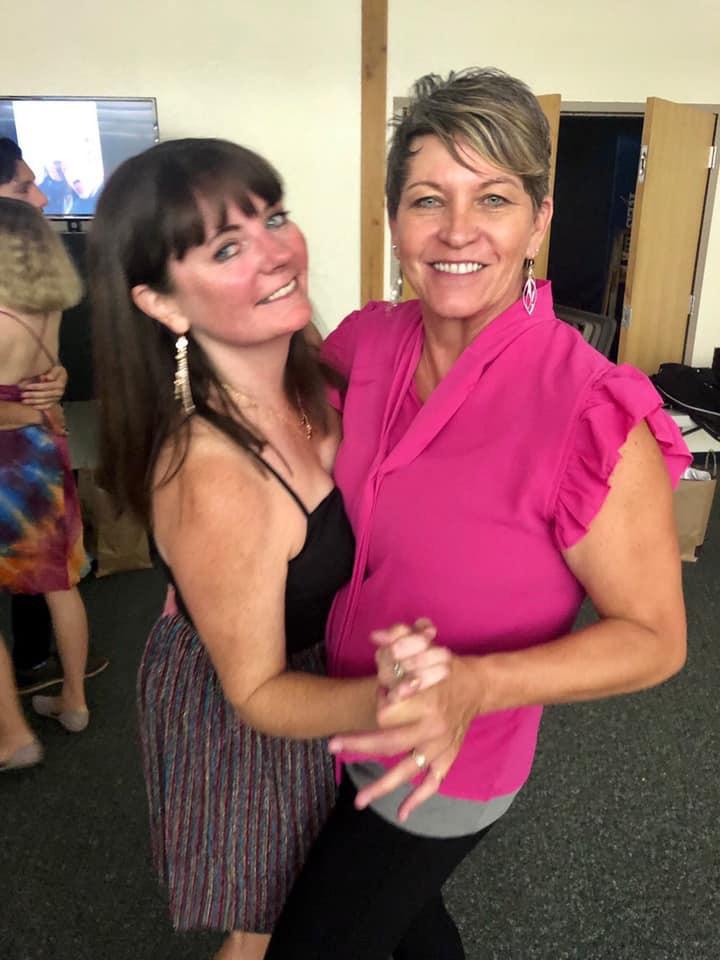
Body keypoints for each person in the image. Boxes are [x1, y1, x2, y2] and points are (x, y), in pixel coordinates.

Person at [263, 68, 690, 960]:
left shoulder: (590, 412)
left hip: (452, 758)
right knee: (409, 926)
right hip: (339, 709)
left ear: (537, 221)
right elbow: (284, 462)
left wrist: (475, 687)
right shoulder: (368, 341)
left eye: (493, 198)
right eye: (428, 199)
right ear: (394, 222)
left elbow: (655, 638)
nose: (458, 231)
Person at [88, 138, 447, 960]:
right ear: (163, 305)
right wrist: (405, 703)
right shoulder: (214, 475)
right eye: (227, 248)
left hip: (332, 672)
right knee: (269, 928)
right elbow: (254, 691)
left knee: (372, 908)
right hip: (264, 710)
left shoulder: (318, 374)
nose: (277, 251)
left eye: (274, 217)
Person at [0, 137, 108, 696]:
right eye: (25, 187)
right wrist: (41, 397)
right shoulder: (48, 296)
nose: (41, 199)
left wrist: (49, 385)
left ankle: (20, 708)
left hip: (16, 449)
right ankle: (73, 696)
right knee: (56, 578)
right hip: (41, 444)